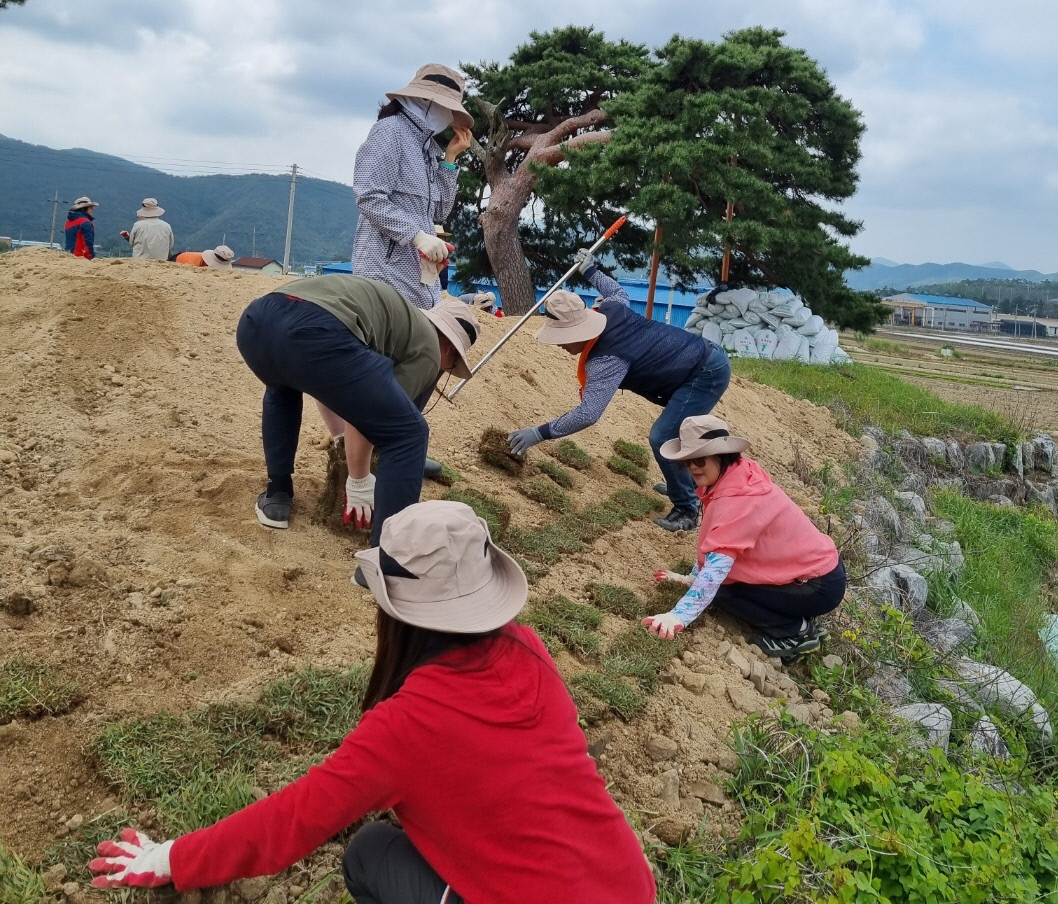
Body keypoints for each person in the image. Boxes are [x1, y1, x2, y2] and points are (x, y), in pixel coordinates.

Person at [87, 500, 657, 904]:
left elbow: (292, 820)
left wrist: (170, 860)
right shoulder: (527, 647)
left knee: (370, 852)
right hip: (628, 885)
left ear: (397, 611)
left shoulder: (407, 726)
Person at [236, 275, 479, 548]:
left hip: (257, 324)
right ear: (448, 346)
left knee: (282, 386)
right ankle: (386, 560)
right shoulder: (429, 350)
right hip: (319, 331)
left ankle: (277, 494)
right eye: (452, 363)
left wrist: (344, 441)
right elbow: (373, 418)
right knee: (410, 434)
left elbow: (329, 383)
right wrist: (360, 479)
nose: (444, 369)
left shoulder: (390, 322)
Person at [508, 250, 732, 532]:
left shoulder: (607, 358)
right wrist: (590, 269)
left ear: (580, 332)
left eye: (563, 339)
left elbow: (589, 413)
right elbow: (614, 289)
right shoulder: (611, 308)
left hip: (704, 371)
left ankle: (686, 509)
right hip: (696, 362)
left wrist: (539, 433)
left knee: (663, 435)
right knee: (676, 431)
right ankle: (683, 483)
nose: (561, 346)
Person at [642, 415, 845, 663]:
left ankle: (795, 632)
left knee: (722, 591)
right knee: (720, 584)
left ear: (720, 455)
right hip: (813, 575)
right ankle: (795, 614)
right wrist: (693, 577)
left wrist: (678, 616)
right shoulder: (739, 473)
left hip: (818, 585)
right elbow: (715, 536)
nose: (692, 467)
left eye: (699, 459)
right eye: (686, 461)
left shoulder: (738, 500)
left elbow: (716, 571)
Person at [351, 63, 473, 311]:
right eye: (447, 108)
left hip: (418, 275)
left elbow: (438, 213)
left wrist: (450, 159)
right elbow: (369, 196)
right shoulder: (390, 131)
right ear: (427, 102)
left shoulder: (427, 148)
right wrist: (417, 236)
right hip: (383, 273)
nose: (449, 117)